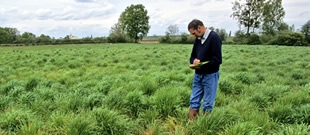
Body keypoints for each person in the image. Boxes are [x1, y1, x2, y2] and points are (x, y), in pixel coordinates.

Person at [187, 19, 222, 120]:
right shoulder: (198, 39)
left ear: (199, 28)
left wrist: (202, 65)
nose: (194, 36)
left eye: (194, 33)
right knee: (194, 100)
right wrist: (194, 62)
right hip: (198, 75)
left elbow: (217, 60)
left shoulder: (214, 37)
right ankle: (191, 126)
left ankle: (204, 127)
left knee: (207, 103)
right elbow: (192, 56)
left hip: (210, 75)